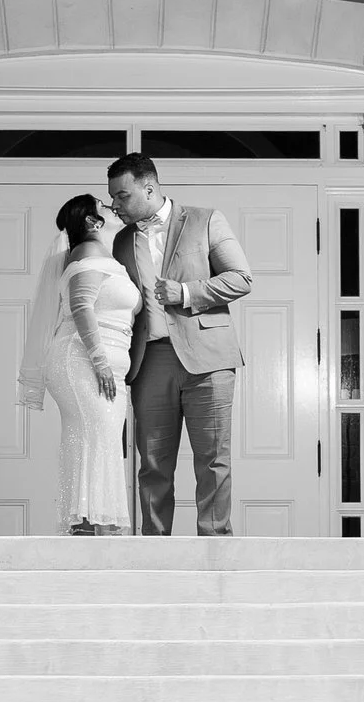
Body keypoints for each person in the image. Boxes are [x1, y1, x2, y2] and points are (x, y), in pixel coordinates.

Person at [105, 152, 253, 537]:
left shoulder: (205, 220)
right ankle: (155, 551)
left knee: (213, 461)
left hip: (209, 359)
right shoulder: (120, 241)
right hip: (149, 361)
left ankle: (215, 549)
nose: (115, 205)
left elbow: (241, 278)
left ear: (148, 187)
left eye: (122, 196)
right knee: (152, 465)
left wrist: (185, 292)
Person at [15, 194, 141, 535]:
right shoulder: (87, 252)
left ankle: (89, 524)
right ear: (91, 222)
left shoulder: (107, 256)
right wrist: (100, 362)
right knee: (95, 437)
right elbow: (82, 306)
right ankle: (88, 524)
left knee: (98, 439)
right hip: (81, 361)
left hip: (105, 364)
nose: (113, 207)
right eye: (104, 205)